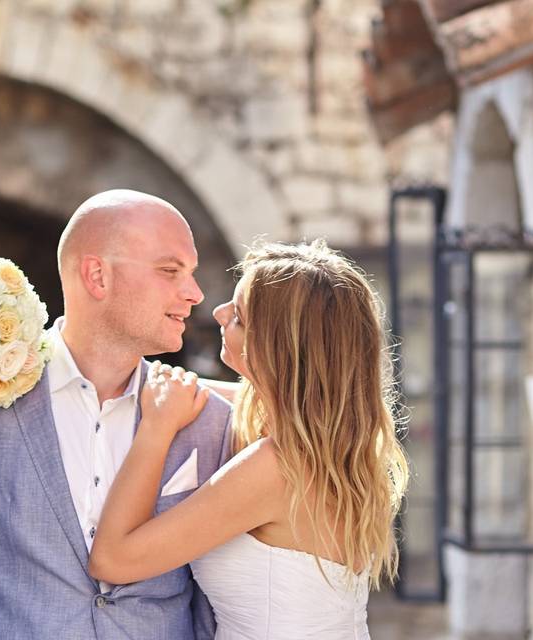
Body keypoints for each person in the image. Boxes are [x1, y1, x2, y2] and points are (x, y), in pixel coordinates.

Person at [0, 190, 232, 639]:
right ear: (96, 275)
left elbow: (214, 601)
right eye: (170, 271)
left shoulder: (207, 418)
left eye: (191, 273)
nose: (195, 293)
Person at [89, 239, 409, 639]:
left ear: (275, 348)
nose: (219, 313)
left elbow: (113, 560)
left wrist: (157, 429)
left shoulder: (278, 468)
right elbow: (190, 389)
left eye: (238, 316)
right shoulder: (338, 438)